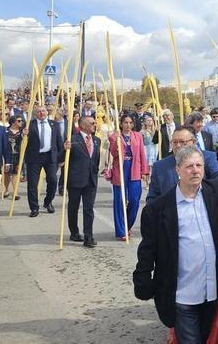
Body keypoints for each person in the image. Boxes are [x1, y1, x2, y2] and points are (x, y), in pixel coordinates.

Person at [133, 146, 218, 344]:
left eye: (199, 165)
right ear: (177, 170)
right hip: (181, 294)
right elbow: (147, 251)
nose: (195, 170)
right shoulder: (158, 210)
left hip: (212, 289)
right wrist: (143, 279)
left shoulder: (216, 191)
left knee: (203, 337)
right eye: (189, 166)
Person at [147, 127, 218, 201]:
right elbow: (152, 198)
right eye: (175, 142)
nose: (178, 145)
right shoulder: (160, 167)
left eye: (182, 142)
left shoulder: (208, 158)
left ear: (193, 142)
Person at [60, 116, 100, 247]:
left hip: (91, 180)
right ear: (83, 125)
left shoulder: (96, 140)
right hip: (76, 179)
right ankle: (74, 232)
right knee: (73, 207)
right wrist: (64, 149)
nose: (95, 125)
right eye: (92, 123)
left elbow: (96, 160)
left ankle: (89, 237)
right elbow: (60, 159)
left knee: (89, 209)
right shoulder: (73, 139)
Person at [107, 114, 148, 240]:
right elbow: (113, 153)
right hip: (120, 167)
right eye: (125, 122)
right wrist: (116, 142)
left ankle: (128, 225)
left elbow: (142, 153)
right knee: (119, 200)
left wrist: (145, 171)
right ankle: (121, 231)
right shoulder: (115, 136)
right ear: (121, 123)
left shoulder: (138, 136)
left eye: (130, 122)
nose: (128, 125)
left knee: (135, 199)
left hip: (134, 168)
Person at [26, 104, 61, 217]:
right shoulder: (30, 125)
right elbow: (23, 141)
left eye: (44, 111)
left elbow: (59, 141)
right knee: (32, 184)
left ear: (47, 112)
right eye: (39, 111)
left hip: (50, 156)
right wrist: (24, 134)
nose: (42, 113)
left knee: (53, 180)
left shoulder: (53, 124)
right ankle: (34, 207)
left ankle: (48, 202)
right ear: (35, 113)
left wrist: (61, 158)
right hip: (34, 157)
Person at [3, 114, 24, 200]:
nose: (21, 122)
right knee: (7, 173)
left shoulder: (22, 132)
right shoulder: (6, 131)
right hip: (7, 154)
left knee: (16, 173)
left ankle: (15, 192)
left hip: (18, 155)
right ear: (13, 122)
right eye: (19, 121)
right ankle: (6, 189)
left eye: (21, 121)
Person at [141, 115, 158, 188]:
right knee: (147, 166)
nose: (149, 121)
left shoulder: (156, 130)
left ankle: (153, 182)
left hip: (154, 149)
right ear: (145, 122)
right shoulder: (142, 132)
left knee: (154, 166)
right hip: (146, 149)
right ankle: (147, 182)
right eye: (148, 120)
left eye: (151, 120)